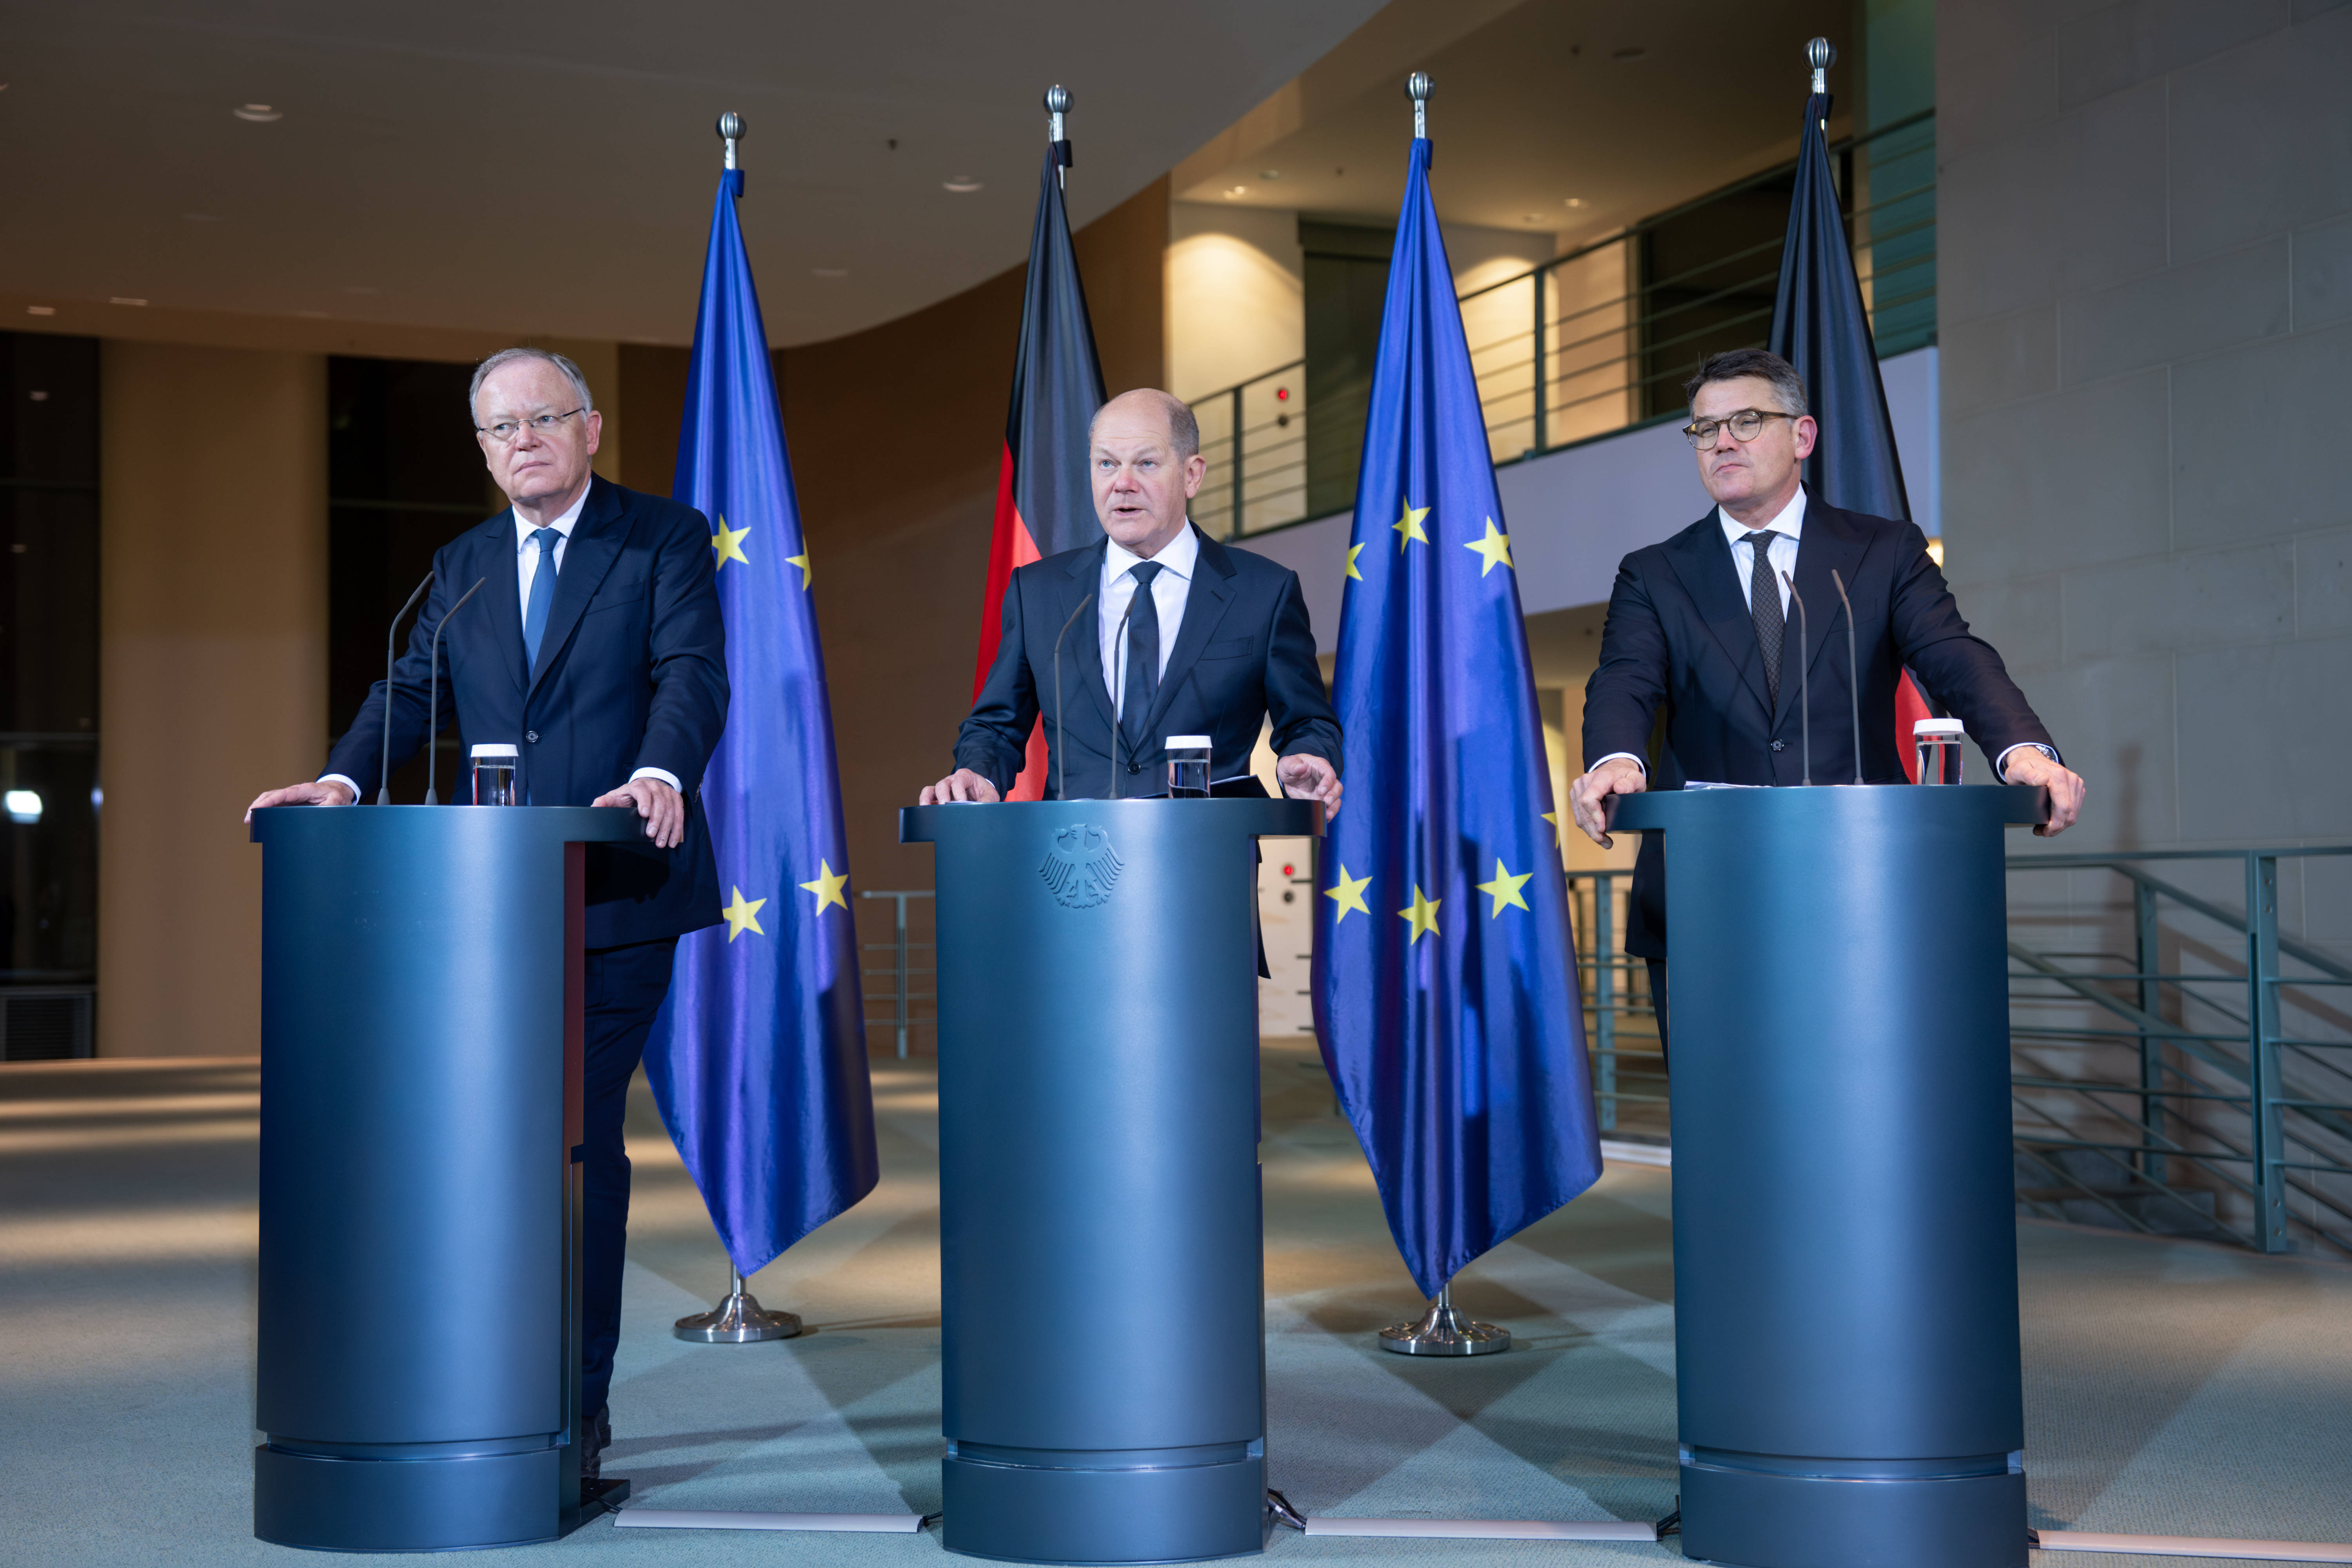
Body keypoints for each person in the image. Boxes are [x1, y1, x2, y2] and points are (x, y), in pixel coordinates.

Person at [244, 347, 727, 1484]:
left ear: (592, 428)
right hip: (486, 914)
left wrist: (661, 773)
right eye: (501, 430)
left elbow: (691, 672)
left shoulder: (660, 537)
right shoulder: (458, 567)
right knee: (495, 1145)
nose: (523, 442)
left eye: (544, 421)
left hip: (618, 892)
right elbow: (408, 694)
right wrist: (342, 783)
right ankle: (489, 1377)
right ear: (483, 450)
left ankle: (575, 1406)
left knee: (570, 1138)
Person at [1568, 348, 2085, 1059]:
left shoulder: (1883, 552)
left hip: (1864, 889)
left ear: (1803, 436)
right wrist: (1616, 761)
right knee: (1727, 1126)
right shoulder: (1655, 573)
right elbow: (1625, 678)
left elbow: (1954, 658)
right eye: (1704, 429)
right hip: (1708, 898)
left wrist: (2023, 750)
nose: (1722, 441)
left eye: (1746, 422)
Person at [922, 387, 1343, 817]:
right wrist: (978, 772)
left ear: (1192, 474)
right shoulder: (1039, 593)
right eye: (1106, 463)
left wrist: (1309, 757)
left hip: (1208, 863)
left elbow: (1307, 720)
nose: (1122, 483)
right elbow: (997, 725)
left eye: (1146, 463)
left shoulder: (1264, 592)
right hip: (1075, 863)